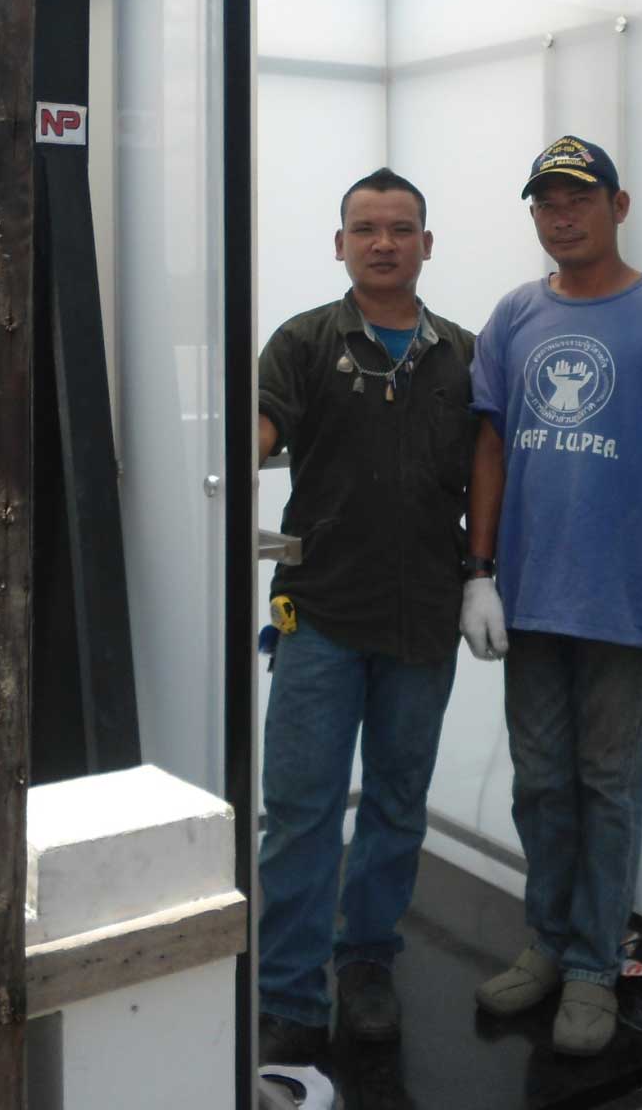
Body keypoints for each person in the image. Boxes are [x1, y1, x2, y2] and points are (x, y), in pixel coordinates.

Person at [459, 134, 642, 1058]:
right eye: (546, 202)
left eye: (579, 198)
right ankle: (546, 941)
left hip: (623, 599)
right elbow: (490, 447)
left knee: (608, 783)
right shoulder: (514, 315)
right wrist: (479, 572)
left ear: (619, 205)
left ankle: (592, 965)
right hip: (532, 595)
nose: (561, 216)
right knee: (541, 781)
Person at [254, 168, 477, 1066]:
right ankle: (287, 992)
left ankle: (369, 962)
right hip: (320, 615)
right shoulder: (303, 342)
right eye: (366, 228)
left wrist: (485, 577)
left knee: (396, 804)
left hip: (425, 618)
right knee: (300, 811)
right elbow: (261, 427)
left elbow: (492, 472)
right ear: (339, 243)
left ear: (428, 244)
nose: (383, 243)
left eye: (401, 228)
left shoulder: (463, 354)